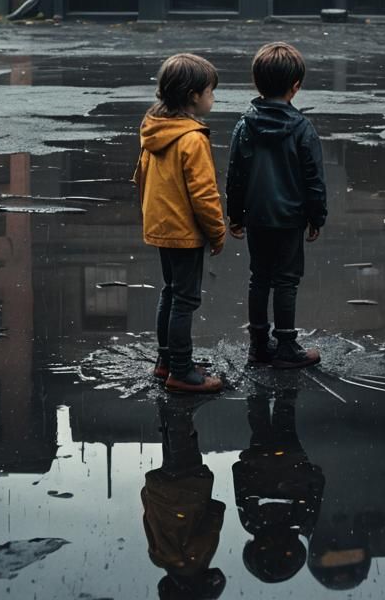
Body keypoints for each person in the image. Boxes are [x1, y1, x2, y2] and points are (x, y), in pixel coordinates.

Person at [226, 42, 327, 369]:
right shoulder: (302, 128)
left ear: (257, 83)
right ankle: (286, 344)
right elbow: (313, 178)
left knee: (259, 278)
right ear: (295, 87)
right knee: (286, 280)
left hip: (256, 217)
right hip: (289, 218)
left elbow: (236, 174)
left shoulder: (245, 126)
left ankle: (258, 344)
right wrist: (316, 216)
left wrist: (236, 214)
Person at [134, 53, 226, 393]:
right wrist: (216, 232)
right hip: (185, 232)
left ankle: (166, 361)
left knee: (170, 293)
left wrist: (150, 217)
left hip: (160, 226)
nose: (213, 98)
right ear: (193, 97)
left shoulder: (155, 128)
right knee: (185, 299)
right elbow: (204, 194)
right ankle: (182, 371)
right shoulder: (192, 138)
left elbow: (140, 176)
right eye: (210, 92)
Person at [233, 390, 325, 584]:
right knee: (264, 425)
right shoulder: (254, 523)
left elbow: (317, 487)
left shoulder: (301, 522)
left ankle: (281, 391)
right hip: (266, 463)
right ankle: (263, 393)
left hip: (287, 463)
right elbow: (240, 488)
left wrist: (312, 473)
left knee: (281, 424)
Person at [141, 399, 227, 600]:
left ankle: (180, 408)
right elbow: (148, 520)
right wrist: (149, 495)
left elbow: (209, 527)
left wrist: (215, 511)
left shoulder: (192, 562)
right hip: (161, 492)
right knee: (172, 451)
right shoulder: (159, 557)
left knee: (186, 449)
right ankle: (168, 411)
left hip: (188, 493)